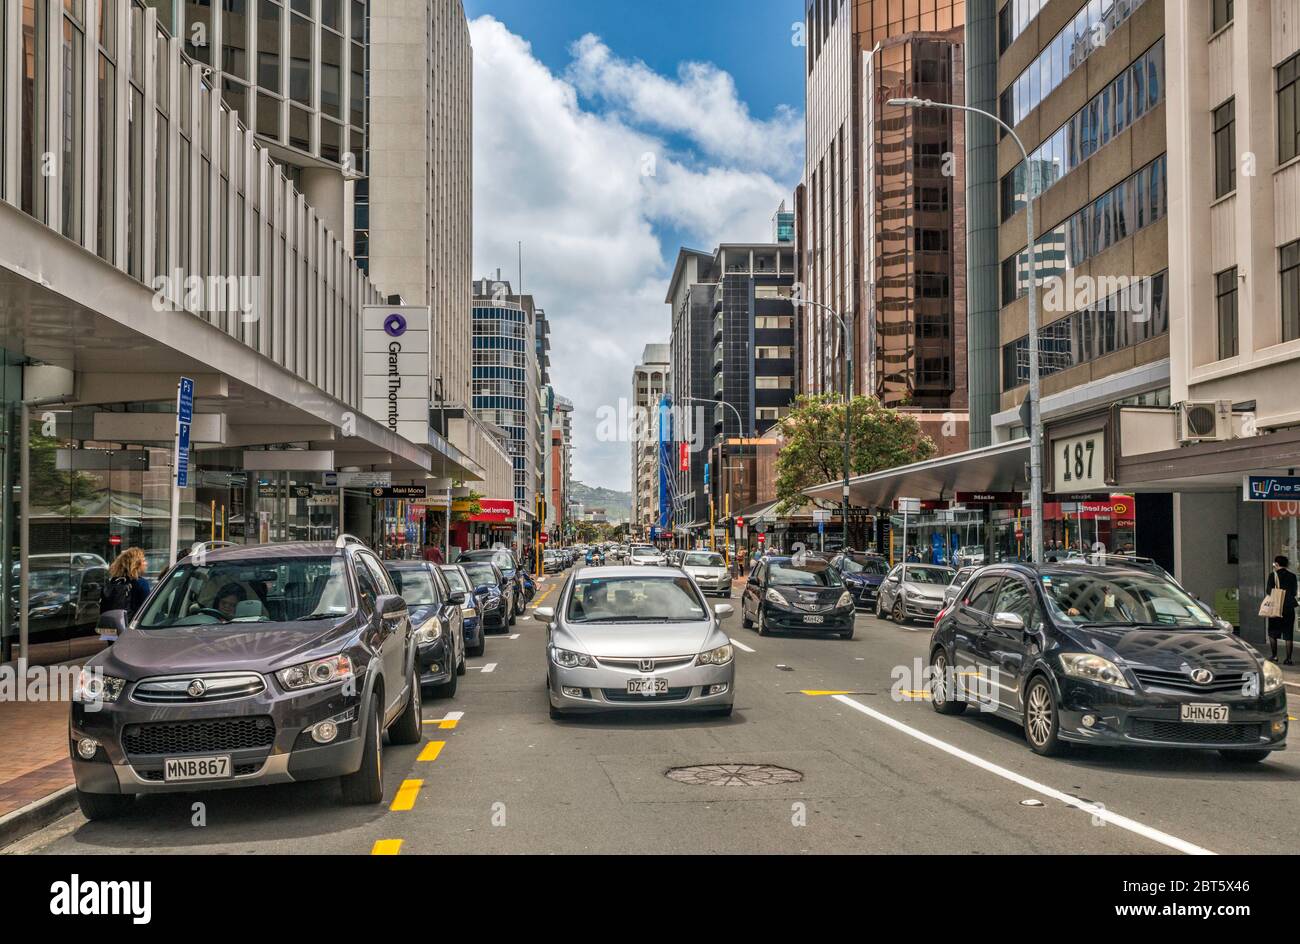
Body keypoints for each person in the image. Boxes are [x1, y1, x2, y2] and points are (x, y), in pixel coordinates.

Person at [100, 547, 152, 623]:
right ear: (136, 564)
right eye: (143, 560)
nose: (146, 563)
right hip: (130, 627)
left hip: (110, 627)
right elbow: (147, 610)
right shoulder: (141, 583)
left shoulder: (112, 582)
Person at [1265, 555, 1296, 664]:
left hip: (1275, 607)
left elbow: (1268, 591)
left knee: (1273, 633)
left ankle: (1274, 656)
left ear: (1276, 564)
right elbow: (1294, 592)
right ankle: (1288, 659)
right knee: (1288, 635)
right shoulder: (1292, 576)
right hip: (1288, 607)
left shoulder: (1272, 576)